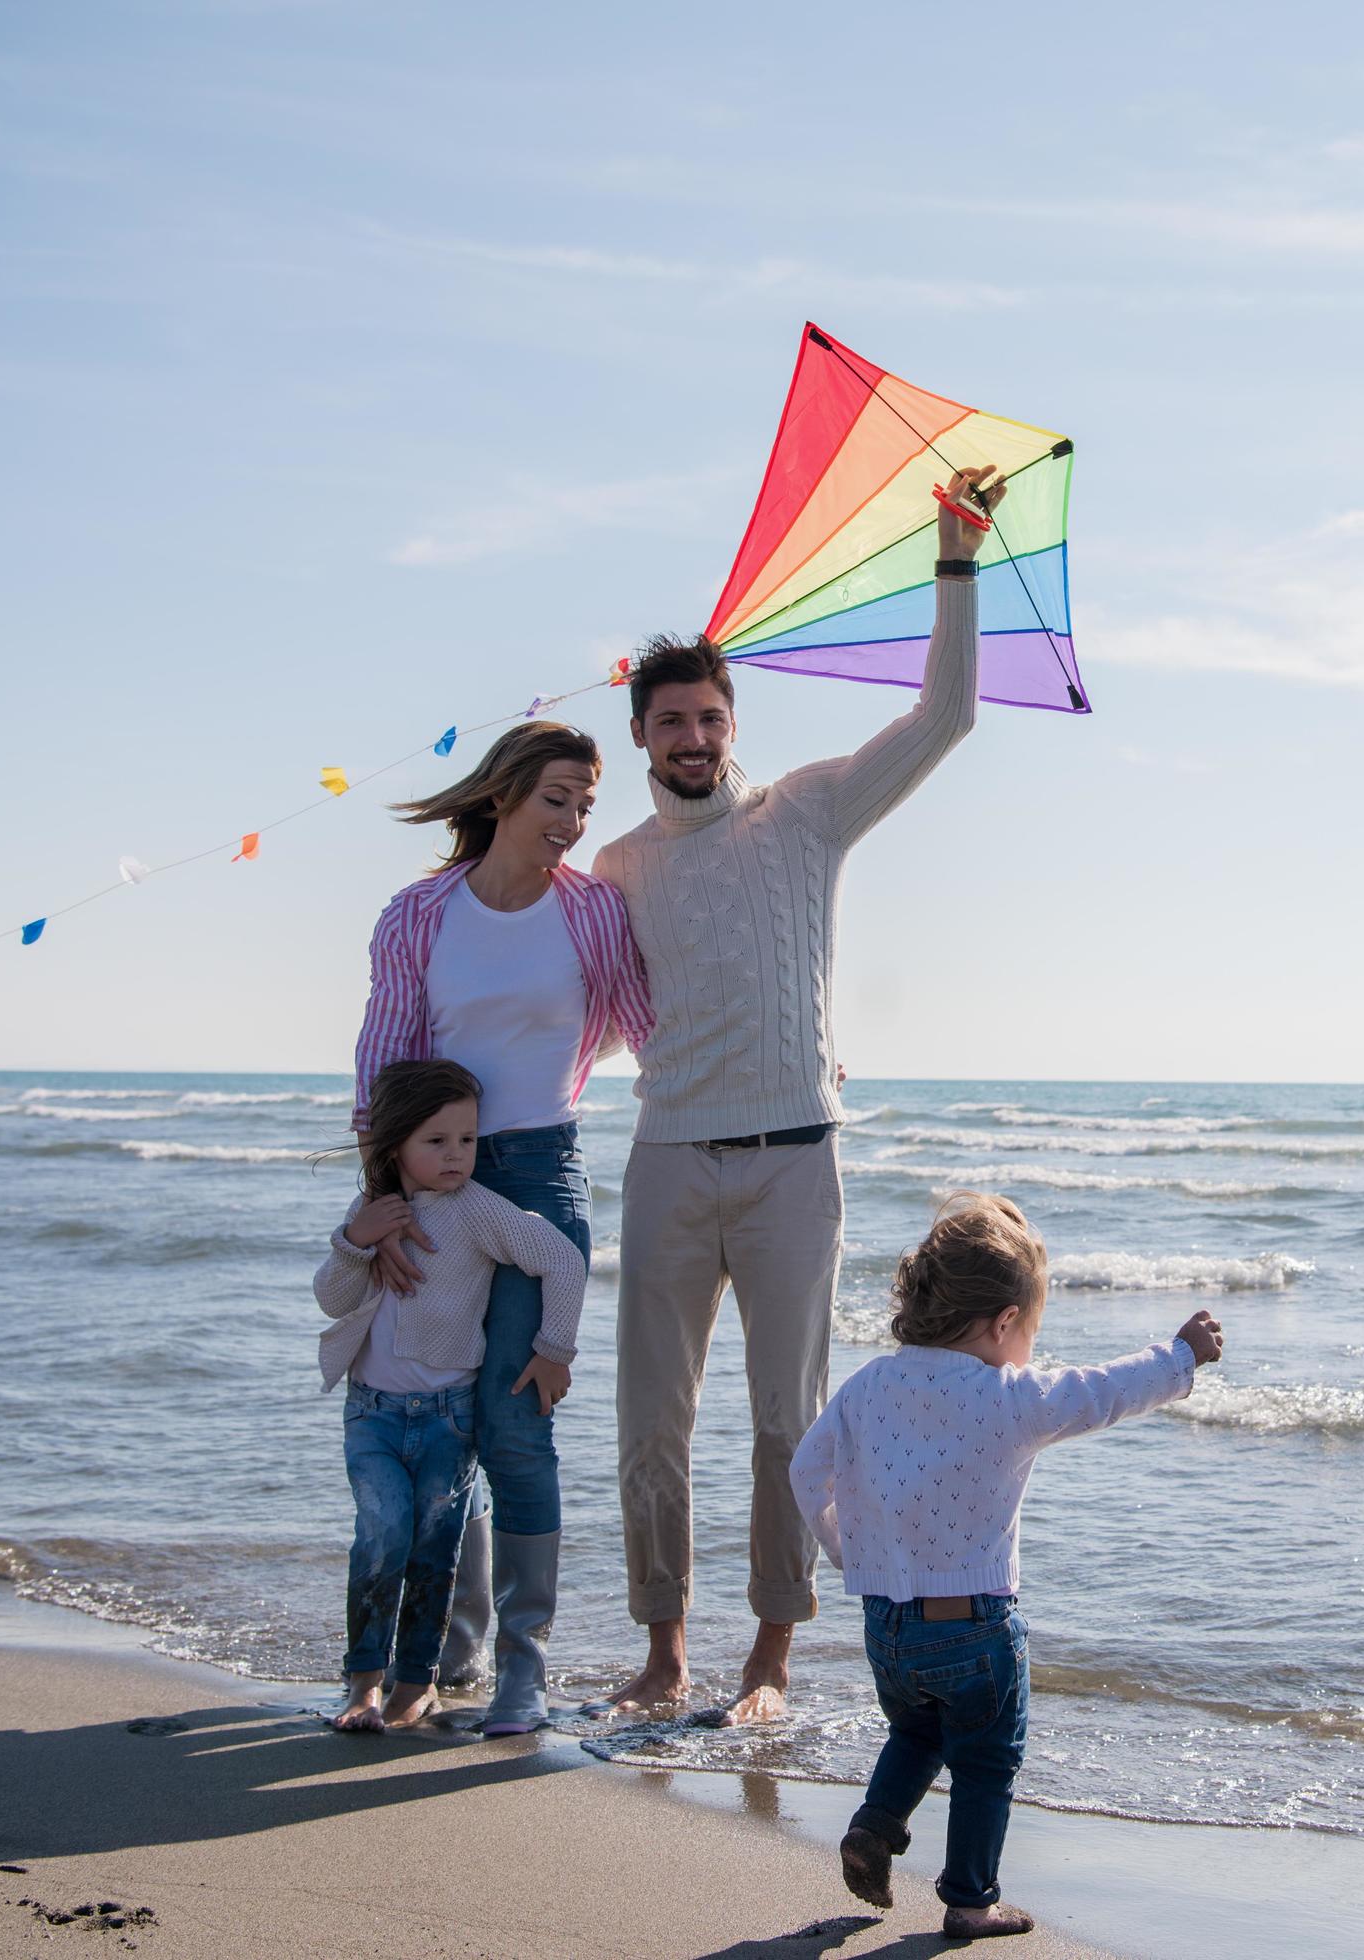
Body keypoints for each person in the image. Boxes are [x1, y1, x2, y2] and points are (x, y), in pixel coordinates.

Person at [588, 462, 1006, 1723]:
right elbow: (561, 999)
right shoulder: (613, 867)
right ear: (644, 738)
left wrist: (954, 558)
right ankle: (664, 1655)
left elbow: (945, 718)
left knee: (789, 1426)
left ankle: (768, 1661)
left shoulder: (809, 814)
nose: (694, 739)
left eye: (710, 718)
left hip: (792, 1165)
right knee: (652, 1427)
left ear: (732, 723)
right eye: (671, 723)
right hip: (669, 1159)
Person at [789, 1192, 1226, 1938]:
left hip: (885, 1624)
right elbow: (1099, 1395)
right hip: (974, 1629)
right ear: (1000, 1324)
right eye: (1029, 1328)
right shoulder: (1006, 1396)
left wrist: (846, 1552)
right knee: (986, 1762)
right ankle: (969, 1899)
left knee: (917, 1734)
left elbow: (805, 1472)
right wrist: (1179, 1355)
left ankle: (874, 1823)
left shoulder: (868, 1386)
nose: (1029, 1346)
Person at [348, 721, 651, 1734]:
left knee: (518, 1423)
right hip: (436, 1180)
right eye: (557, 799)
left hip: (544, 1177)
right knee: (441, 1414)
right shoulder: (420, 915)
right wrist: (377, 1200)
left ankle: (523, 1662)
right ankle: (445, 1651)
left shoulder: (594, 911)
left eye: (584, 805)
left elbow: (647, 1025)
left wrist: (784, 1064)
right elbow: (384, 1070)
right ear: (505, 795)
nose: (571, 823)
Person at [315, 1059, 589, 1733]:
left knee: (434, 1549)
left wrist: (553, 1348)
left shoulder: (476, 1211)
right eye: (436, 1141)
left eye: (466, 1140)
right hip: (372, 1414)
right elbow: (332, 1299)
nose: (456, 1155)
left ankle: (416, 1685)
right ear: (394, 1145)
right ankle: (362, 1683)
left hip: (448, 1418)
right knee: (382, 1535)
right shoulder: (372, 1212)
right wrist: (357, 1242)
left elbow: (561, 1259)